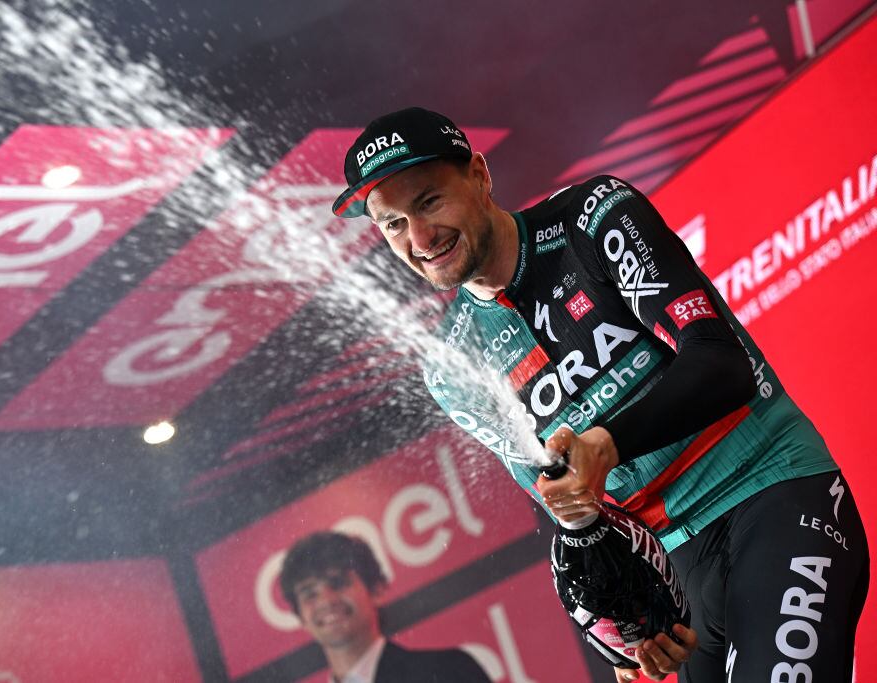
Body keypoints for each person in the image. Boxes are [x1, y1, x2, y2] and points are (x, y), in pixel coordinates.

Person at [330, 107, 869, 683]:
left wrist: (606, 445)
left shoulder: (594, 218)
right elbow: (581, 514)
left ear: (480, 176)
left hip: (772, 493)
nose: (419, 237)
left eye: (430, 202)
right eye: (392, 224)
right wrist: (628, 631)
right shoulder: (452, 370)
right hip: (679, 576)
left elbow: (720, 363)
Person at [279, 530, 492, 683]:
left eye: (338, 582)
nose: (326, 601)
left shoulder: (446, 671)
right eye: (309, 593)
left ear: (376, 590)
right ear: (301, 619)